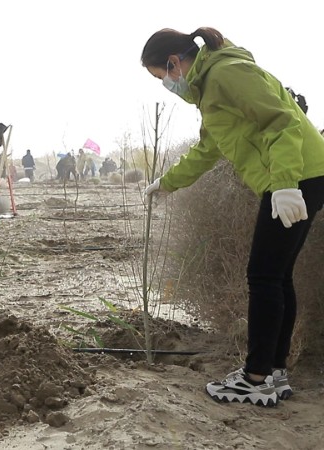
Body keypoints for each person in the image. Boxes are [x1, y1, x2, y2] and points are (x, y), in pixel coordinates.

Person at [141, 27, 324, 407]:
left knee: (263, 276)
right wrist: (167, 183)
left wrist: (287, 183)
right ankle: (273, 372)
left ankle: (255, 377)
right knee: (277, 276)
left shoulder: (226, 74)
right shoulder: (208, 90)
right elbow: (209, 149)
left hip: (296, 175)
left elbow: (282, 120)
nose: (166, 86)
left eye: (162, 77)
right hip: (296, 175)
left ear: (174, 63)